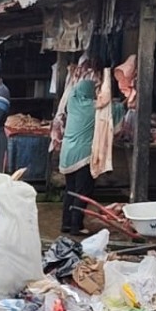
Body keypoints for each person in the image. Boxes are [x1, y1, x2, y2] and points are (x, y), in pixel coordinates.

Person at [58, 79, 98, 235]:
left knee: (70, 190)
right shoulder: (92, 108)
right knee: (82, 192)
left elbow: (72, 91)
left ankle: (66, 224)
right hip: (82, 156)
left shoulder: (72, 103)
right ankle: (77, 226)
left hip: (67, 154)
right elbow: (111, 110)